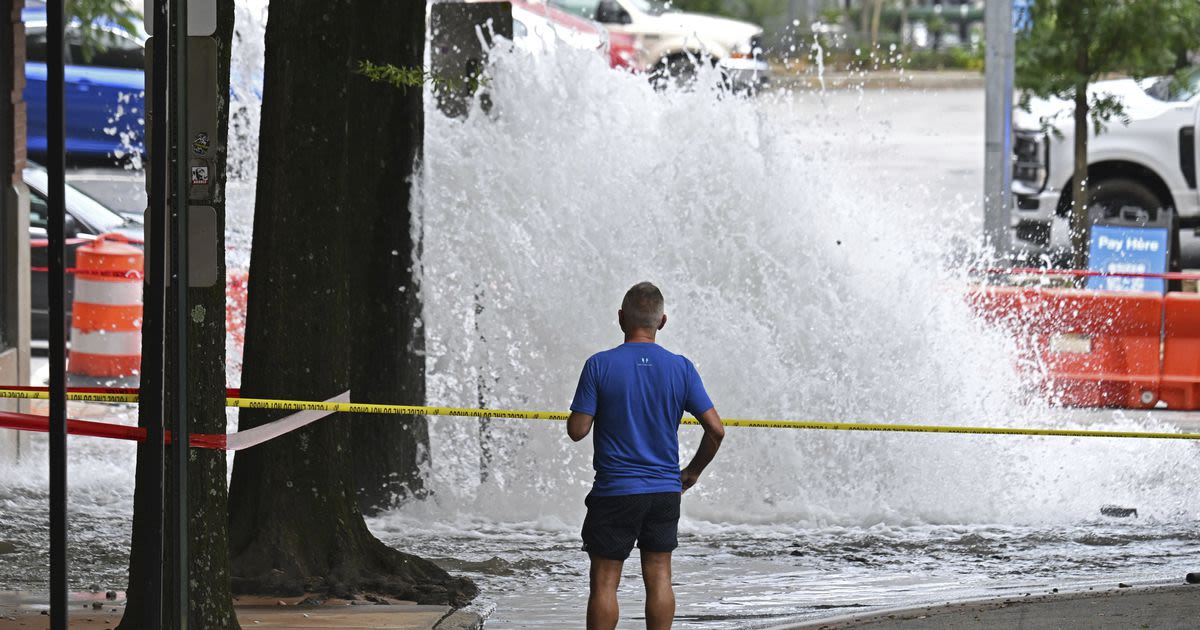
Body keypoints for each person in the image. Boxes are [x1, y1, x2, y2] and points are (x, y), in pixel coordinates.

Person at [567, 281, 725, 630]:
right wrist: (693, 472)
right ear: (662, 321)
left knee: (605, 582)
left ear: (621, 318)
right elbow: (716, 429)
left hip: (616, 491)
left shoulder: (599, 365)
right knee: (659, 576)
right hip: (664, 491)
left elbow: (577, 431)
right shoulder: (681, 368)